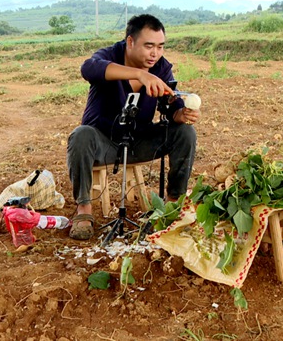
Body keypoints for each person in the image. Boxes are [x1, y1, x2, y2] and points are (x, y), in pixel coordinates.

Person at [66, 14, 200, 240]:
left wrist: (181, 113)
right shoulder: (109, 56)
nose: (155, 53)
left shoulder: (162, 68)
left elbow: (171, 106)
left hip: (139, 140)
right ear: (130, 42)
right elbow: (88, 68)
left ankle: (173, 204)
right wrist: (140, 75)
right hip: (103, 142)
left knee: (185, 132)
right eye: (149, 46)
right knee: (81, 135)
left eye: (160, 47)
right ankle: (84, 211)